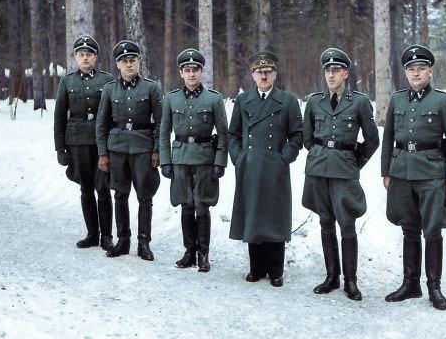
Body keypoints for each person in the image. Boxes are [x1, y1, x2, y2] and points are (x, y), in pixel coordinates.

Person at [381, 44, 446, 311]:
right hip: (402, 172)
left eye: (421, 69)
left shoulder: (443, 99)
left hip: (431, 173)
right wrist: (386, 171)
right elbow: (389, 136)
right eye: (411, 69)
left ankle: (434, 287)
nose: (416, 74)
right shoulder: (397, 99)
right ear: (406, 72)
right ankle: (410, 284)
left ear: (429, 71)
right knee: (408, 227)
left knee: (433, 228)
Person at [302, 48, 380, 300]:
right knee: (325, 222)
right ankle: (331, 277)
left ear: (346, 73)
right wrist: (319, 154)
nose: (331, 75)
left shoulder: (359, 102)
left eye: (336, 70)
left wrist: (355, 161)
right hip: (319, 169)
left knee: (347, 224)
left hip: (345, 170)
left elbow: (372, 140)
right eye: (328, 70)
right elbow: (307, 137)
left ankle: (351, 281)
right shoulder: (314, 101)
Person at [228, 51, 303, 287]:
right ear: (252, 75)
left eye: (268, 71)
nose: (264, 75)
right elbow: (232, 134)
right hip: (250, 166)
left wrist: (285, 158)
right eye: (259, 72)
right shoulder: (243, 101)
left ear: (275, 74)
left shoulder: (288, 100)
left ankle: (276, 270)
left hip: (275, 167)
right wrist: (240, 158)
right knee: (253, 215)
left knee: (274, 217)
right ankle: (256, 268)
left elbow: (297, 135)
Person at [159, 48, 228, 272]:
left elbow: (223, 133)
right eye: (187, 70)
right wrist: (166, 161)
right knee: (185, 205)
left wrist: (220, 162)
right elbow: (163, 132)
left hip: (204, 158)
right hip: (180, 158)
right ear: (181, 72)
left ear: (201, 72)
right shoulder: (171, 98)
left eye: (195, 70)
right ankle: (189, 251)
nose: (191, 75)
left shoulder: (214, 99)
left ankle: (204, 254)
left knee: (202, 205)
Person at [95, 40, 163, 260]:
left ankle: (144, 243)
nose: (128, 65)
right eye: (124, 61)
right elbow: (101, 123)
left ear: (139, 62)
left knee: (145, 197)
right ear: (117, 64)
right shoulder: (109, 89)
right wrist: (103, 153)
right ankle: (123, 241)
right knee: (120, 195)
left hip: (143, 149)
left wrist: (157, 150)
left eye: (132, 60)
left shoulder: (151, 88)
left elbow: (161, 122)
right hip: (117, 150)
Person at [54, 35, 114, 249]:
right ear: (76, 57)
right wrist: (60, 147)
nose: (85, 58)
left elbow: (112, 114)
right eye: (81, 54)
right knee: (86, 188)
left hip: (101, 143)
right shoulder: (67, 81)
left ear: (96, 57)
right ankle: (92, 235)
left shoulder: (107, 80)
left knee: (103, 188)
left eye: (89, 54)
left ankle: (107, 236)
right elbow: (60, 115)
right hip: (76, 141)